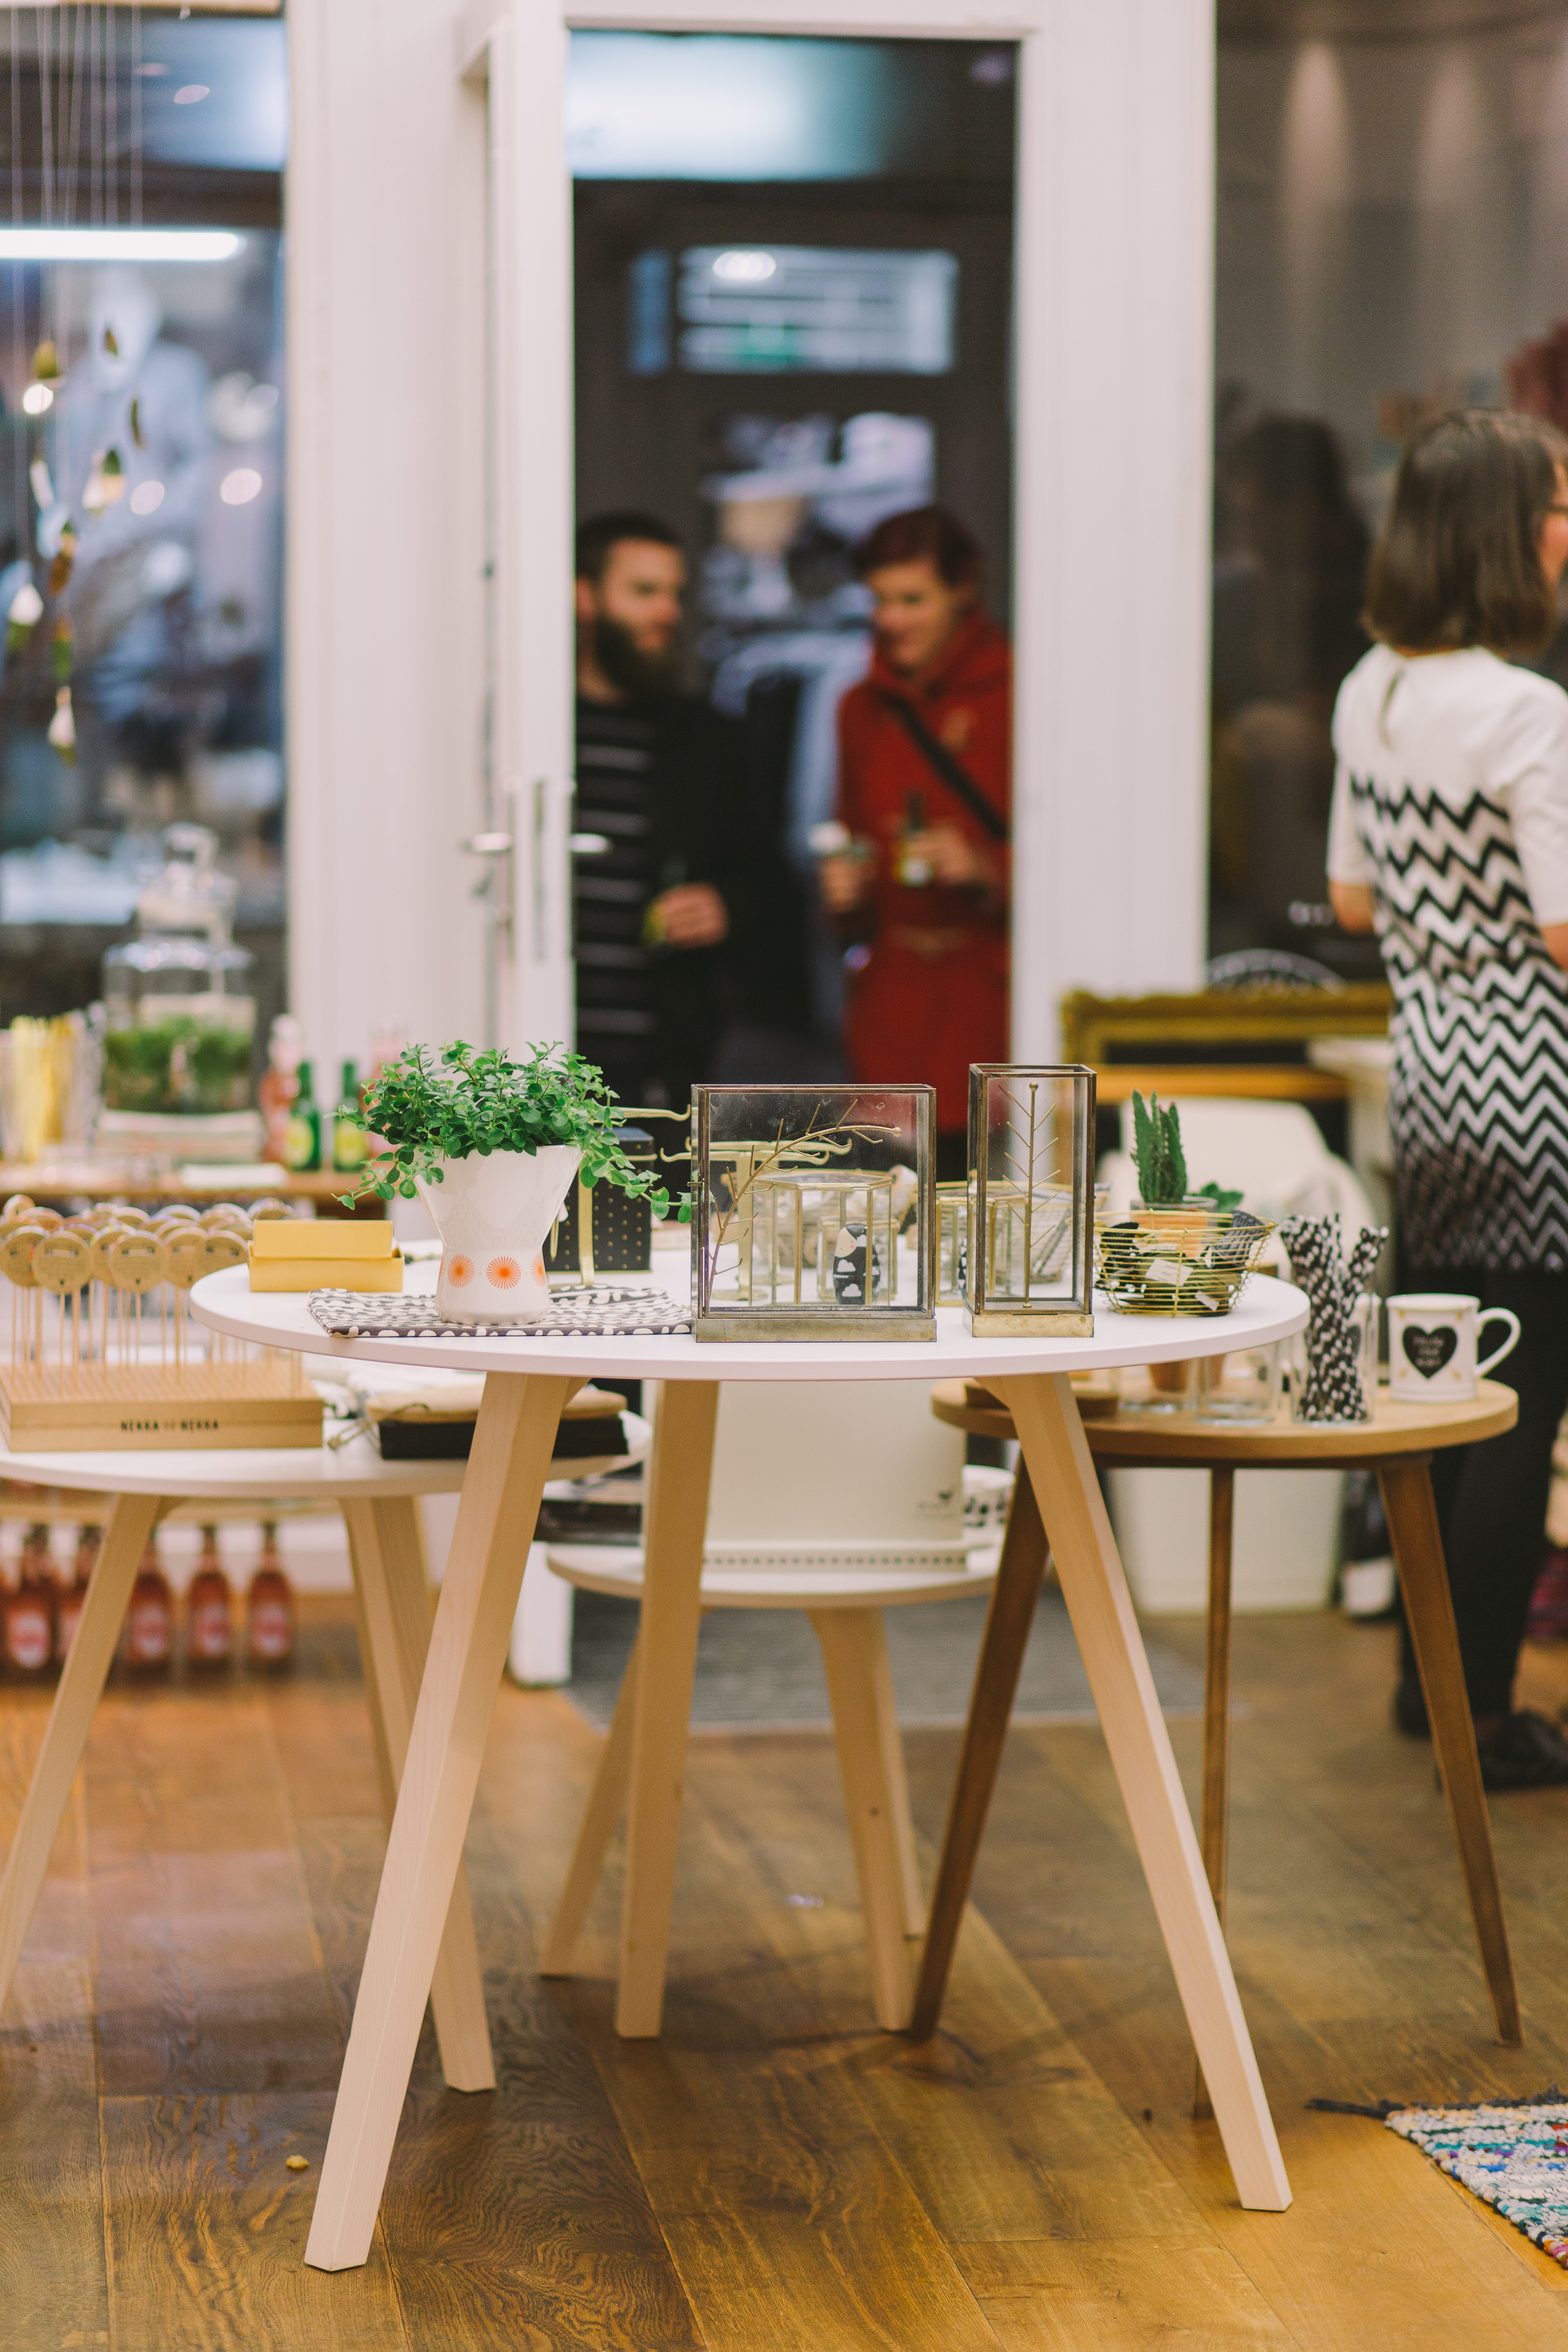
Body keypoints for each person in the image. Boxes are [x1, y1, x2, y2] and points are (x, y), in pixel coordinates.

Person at [1328, 407, 1568, 1790]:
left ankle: (1432, 1694)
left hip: (1431, 1072)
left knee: (1449, 1394)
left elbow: (1354, 897)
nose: (1565, 531)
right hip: (1537, 1080)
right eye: (1554, 505)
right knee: (1520, 1410)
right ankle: (1481, 1719)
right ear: (1501, 534)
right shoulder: (1526, 709)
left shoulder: (1372, 689)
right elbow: (1564, 929)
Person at [819, 506, 1010, 1175]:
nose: (892, 619)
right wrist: (846, 888)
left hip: (992, 1002)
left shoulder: (1022, 693)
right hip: (892, 1012)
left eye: (912, 599)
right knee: (887, 1205)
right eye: (879, 600)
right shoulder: (860, 709)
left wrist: (987, 868)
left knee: (990, 1209)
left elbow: (1084, 860)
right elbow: (851, 837)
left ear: (963, 591)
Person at [573, 512, 750, 1112]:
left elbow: (769, 885)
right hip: (533, 1062)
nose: (668, 613)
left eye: (675, 594)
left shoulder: (709, 739)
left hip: (660, 1076)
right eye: (645, 591)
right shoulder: (533, 736)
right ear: (584, 597)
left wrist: (725, 905)